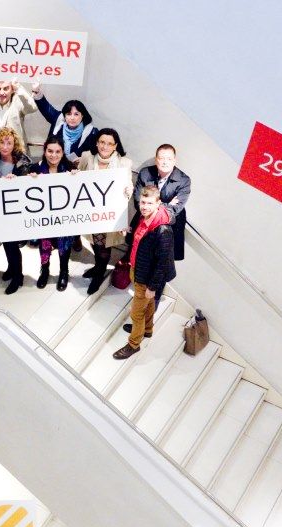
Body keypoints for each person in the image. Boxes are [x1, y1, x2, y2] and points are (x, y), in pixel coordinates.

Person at [120, 144, 192, 334]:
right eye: (161, 158)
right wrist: (162, 204)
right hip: (143, 229)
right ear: (156, 158)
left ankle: (145, 323)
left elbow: (174, 210)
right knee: (141, 267)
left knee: (158, 274)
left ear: (175, 160)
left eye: (169, 158)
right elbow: (139, 201)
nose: (165, 162)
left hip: (167, 231)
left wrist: (154, 205)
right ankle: (145, 322)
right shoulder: (145, 173)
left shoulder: (184, 180)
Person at [113, 186, 175, 360]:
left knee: (136, 313)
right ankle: (147, 330)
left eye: (149, 203)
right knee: (147, 305)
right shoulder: (143, 217)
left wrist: (152, 287)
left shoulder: (163, 230)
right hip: (137, 268)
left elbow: (162, 263)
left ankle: (134, 344)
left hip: (147, 277)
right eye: (142, 202)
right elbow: (135, 241)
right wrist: (127, 231)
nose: (145, 206)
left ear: (158, 203)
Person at [78, 128, 135, 295]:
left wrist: (128, 190)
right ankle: (98, 267)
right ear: (97, 143)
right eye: (102, 142)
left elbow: (128, 184)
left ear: (115, 146)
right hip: (90, 211)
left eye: (110, 143)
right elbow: (78, 179)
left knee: (103, 245)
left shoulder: (124, 163)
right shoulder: (87, 157)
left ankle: (99, 273)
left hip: (109, 214)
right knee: (93, 240)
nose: (105, 146)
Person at [0, 127, 33, 295]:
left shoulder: (22, 162)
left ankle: (18, 277)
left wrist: (16, 180)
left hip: (14, 210)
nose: (5, 146)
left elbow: (25, 186)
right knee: (6, 243)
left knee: (12, 245)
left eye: (9, 143)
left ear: (15, 144)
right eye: (2, 142)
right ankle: (11, 268)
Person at [29, 136, 75, 292]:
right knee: (44, 245)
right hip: (44, 218)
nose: (53, 155)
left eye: (57, 151)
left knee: (64, 246)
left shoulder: (69, 168)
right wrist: (29, 180)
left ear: (62, 152)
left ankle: (64, 272)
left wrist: (77, 177)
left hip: (64, 217)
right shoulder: (35, 168)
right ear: (44, 151)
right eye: (50, 151)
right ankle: (45, 270)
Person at [30, 83, 98, 164]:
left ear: (82, 115)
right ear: (64, 116)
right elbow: (46, 107)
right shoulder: (58, 120)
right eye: (69, 114)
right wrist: (36, 91)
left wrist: (83, 160)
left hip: (78, 169)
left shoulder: (91, 132)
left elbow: (96, 154)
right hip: (52, 165)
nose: (72, 118)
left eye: (76, 114)